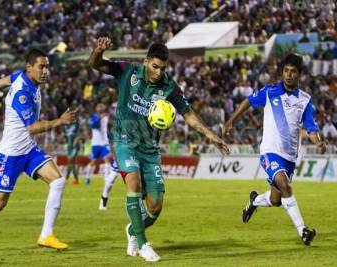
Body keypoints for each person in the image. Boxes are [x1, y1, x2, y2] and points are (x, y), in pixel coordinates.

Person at [89, 37, 230, 262]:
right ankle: (144, 244)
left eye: (163, 68)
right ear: (146, 62)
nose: (158, 72)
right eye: (155, 67)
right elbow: (96, 64)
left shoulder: (170, 87)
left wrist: (211, 136)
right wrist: (98, 50)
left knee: (155, 206)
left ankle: (133, 230)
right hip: (125, 141)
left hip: (150, 149)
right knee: (132, 182)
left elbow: (189, 115)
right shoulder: (127, 71)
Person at [0, 48, 76, 252]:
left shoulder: (24, 77)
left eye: (47, 66)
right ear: (30, 68)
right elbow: (32, 127)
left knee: (57, 181)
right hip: (11, 154)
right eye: (42, 67)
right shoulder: (22, 93)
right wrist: (60, 121)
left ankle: (46, 235)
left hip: (29, 150)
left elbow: (9, 78)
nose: (46, 71)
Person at [222, 53, 326, 246]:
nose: (288, 75)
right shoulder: (269, 91)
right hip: (270, 151)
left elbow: (311, 128)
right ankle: (303, 231)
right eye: (286, 70)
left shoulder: (305, 100)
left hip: (290, 158)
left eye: (293, 71)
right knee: (286, 186)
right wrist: (230, 122)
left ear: (299, 75)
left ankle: (254, 201)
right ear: (282, 72)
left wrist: (318, 142)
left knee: (277, 199)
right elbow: (247, 101)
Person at [84, 103, 111, 185]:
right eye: (99, 106)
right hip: (96, 143)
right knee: (93, 161)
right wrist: (99, 118)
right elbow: (94, 125)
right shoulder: (93, 117)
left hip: (105, 142)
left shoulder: (106, 117)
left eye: (102, 106)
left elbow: (106, 128)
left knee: (107, 160)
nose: (101, 107)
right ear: (97, 109)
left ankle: (106, 179)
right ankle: (88, 177)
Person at [63, 118, 80, 184]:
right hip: (69, 147)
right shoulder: (65, 127)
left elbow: (79, 134)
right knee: (71, 163)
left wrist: (77, 140)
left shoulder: (75, 125)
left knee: (71, 162)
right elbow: (65, 136)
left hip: (74, 146)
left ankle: (69, 179)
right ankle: (75, 180)